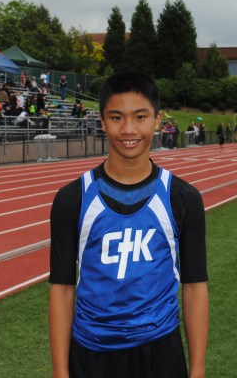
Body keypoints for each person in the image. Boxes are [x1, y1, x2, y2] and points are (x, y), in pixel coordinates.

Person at [49, 71, 209, 378]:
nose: (128, 129)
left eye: (140, 116)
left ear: (157, 120)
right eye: (116, 117)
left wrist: (198, 369)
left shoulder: (183, 198)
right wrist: (60, 371)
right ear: (102, 121)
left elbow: (194, 285)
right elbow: (62, 288)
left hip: (160, 352)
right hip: (91, 353)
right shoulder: (72, 198)